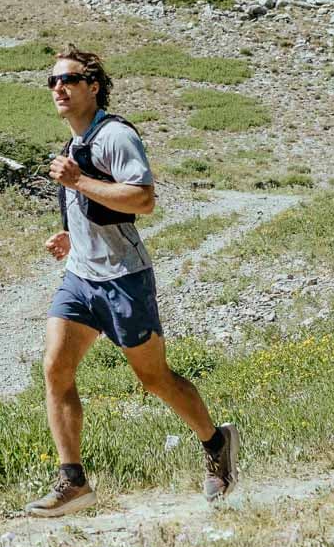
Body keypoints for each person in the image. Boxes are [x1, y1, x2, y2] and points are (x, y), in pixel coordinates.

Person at [21, 46, 237, 516]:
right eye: (53, 81)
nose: (59, 88)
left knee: (153, 378)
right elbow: (94, 205)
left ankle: (216, 442)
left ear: (93, 86)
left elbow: (142, 200)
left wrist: (77, 183)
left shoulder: (115, 136)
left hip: (124, 279)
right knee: (55, 368)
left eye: (69, 80)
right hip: (81, 277)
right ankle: (72, 481)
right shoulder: (73, 143)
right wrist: (70, 236)